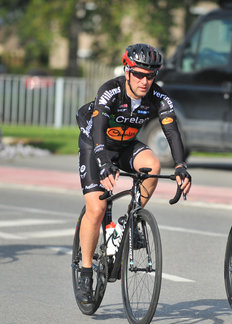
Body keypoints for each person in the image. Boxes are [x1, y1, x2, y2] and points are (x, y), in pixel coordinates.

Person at [75, 43, 191, 304]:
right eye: (139, 74)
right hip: (96, 145)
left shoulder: (159, 98)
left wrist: (182, 166)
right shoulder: (110, 91)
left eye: (150, 76)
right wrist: (104, 163)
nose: (145, 81)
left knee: (154, 167)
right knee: (96, 207)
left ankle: (131, 218)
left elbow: (172, 132)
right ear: (127, 71)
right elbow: (98, 130)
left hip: (126, 145)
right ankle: (84, 272)